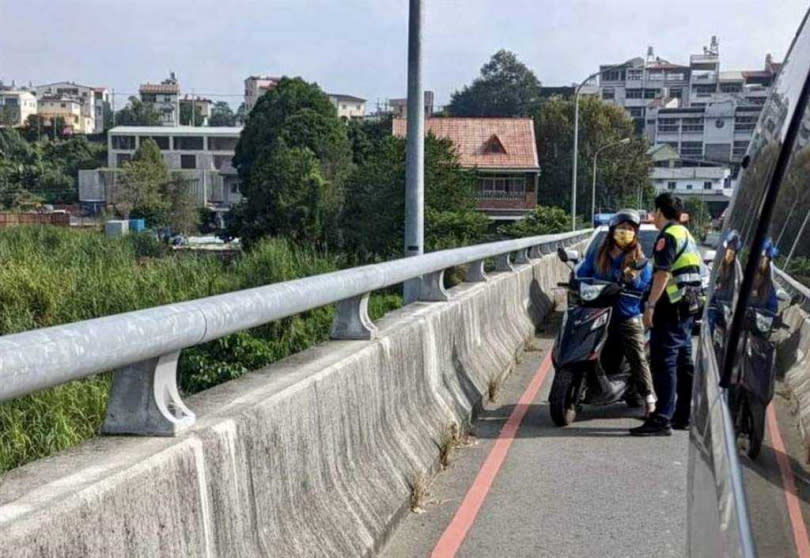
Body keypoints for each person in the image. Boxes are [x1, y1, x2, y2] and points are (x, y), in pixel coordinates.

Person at [631, 194, 702, 436]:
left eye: (654, 211)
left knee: (664, 363)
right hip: (689, 305)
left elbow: (662, 274)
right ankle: (682, 416)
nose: (653, 216)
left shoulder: (667, 237)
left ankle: (661, 419)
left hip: (671, 306)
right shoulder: (685, 234)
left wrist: (650, 306)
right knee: (684, 363)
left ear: (660, 212)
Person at [576, 209, 656, 415]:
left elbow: (643, 284)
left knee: (637, 355)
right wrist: (577, 282)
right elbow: (584, 273)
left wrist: (632, 279)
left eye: (629, 229)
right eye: (621, 228)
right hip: (596, 311)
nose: (625, 232)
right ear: (613, 231)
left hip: (625, 314)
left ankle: (649, 398)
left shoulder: (639, 259)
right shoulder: (598, 254)